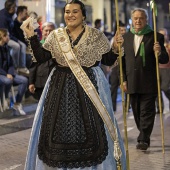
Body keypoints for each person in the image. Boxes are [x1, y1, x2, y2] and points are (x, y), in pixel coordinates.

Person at [22, 0, 126, 170]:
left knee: (93, 130)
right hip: (60, 87)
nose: (70, 15)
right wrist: (32, 36)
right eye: (67, 12)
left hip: (90, 87)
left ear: (83, 15)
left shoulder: (95, 35)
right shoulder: (56, 36)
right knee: (58, 131)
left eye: (75, 11)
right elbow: (41, 57)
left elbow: (107, 60)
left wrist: (115, 46)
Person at [113, 8, 169, 151]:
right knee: (137, 111)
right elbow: (122, 61)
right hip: (132, 80)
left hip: (149, 81)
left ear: (146, 20)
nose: (138, 21)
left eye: (141, 18)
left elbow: (164, 59)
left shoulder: (156, 36)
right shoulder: (125, 38)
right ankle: (142, 131)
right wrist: (123, 79)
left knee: (147, 111)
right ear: (132, 20)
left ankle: (143, 138)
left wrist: (159, 52)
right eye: (135, 18)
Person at [0, 28, 28, 115]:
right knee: (8, 80)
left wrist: (10, 73)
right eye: (7, 35)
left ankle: (17, 103)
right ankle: (6, 98)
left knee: (24, 80)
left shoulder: (7, 48)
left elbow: (11, 64)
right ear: (2, 37)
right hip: (1, 74)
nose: (9, 37)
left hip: (8, 74)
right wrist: (6, 74)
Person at [0, 0, 29, 75]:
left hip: (10, 36)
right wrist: (15, 39)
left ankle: (22, 66)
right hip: (4, 38)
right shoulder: (3, 16)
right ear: (12, 8)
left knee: (23, 45)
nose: (16, 9)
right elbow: (4, 33)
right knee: (16, 46)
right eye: (15, 7)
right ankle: (16, 67)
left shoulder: (9, 15)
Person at [28, 22, 56, 100]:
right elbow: (33, 65)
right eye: (46, 30)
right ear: (42, 32)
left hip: (54, 80)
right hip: (40, 81)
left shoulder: (58, 46)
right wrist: (31, 82)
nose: (48, 33)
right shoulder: (37, 46)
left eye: (51, 30)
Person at [110, 21, 127, 112]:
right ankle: (113, 107)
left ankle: (127, 106)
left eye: (124, 30)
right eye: (121, 30)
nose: (123, 31)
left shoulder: (127, 40)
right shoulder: (113, 39)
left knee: (126, 87)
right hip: (115, 67)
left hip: (124, 67)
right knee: (113, 87)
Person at [156, 28, 170, 113]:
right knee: (157, 90)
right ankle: (159, 108)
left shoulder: (168, 45)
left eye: (164, 34)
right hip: (157, 69)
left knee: (164, 88)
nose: (162, 36)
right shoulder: (156, 45)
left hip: (166, 69)